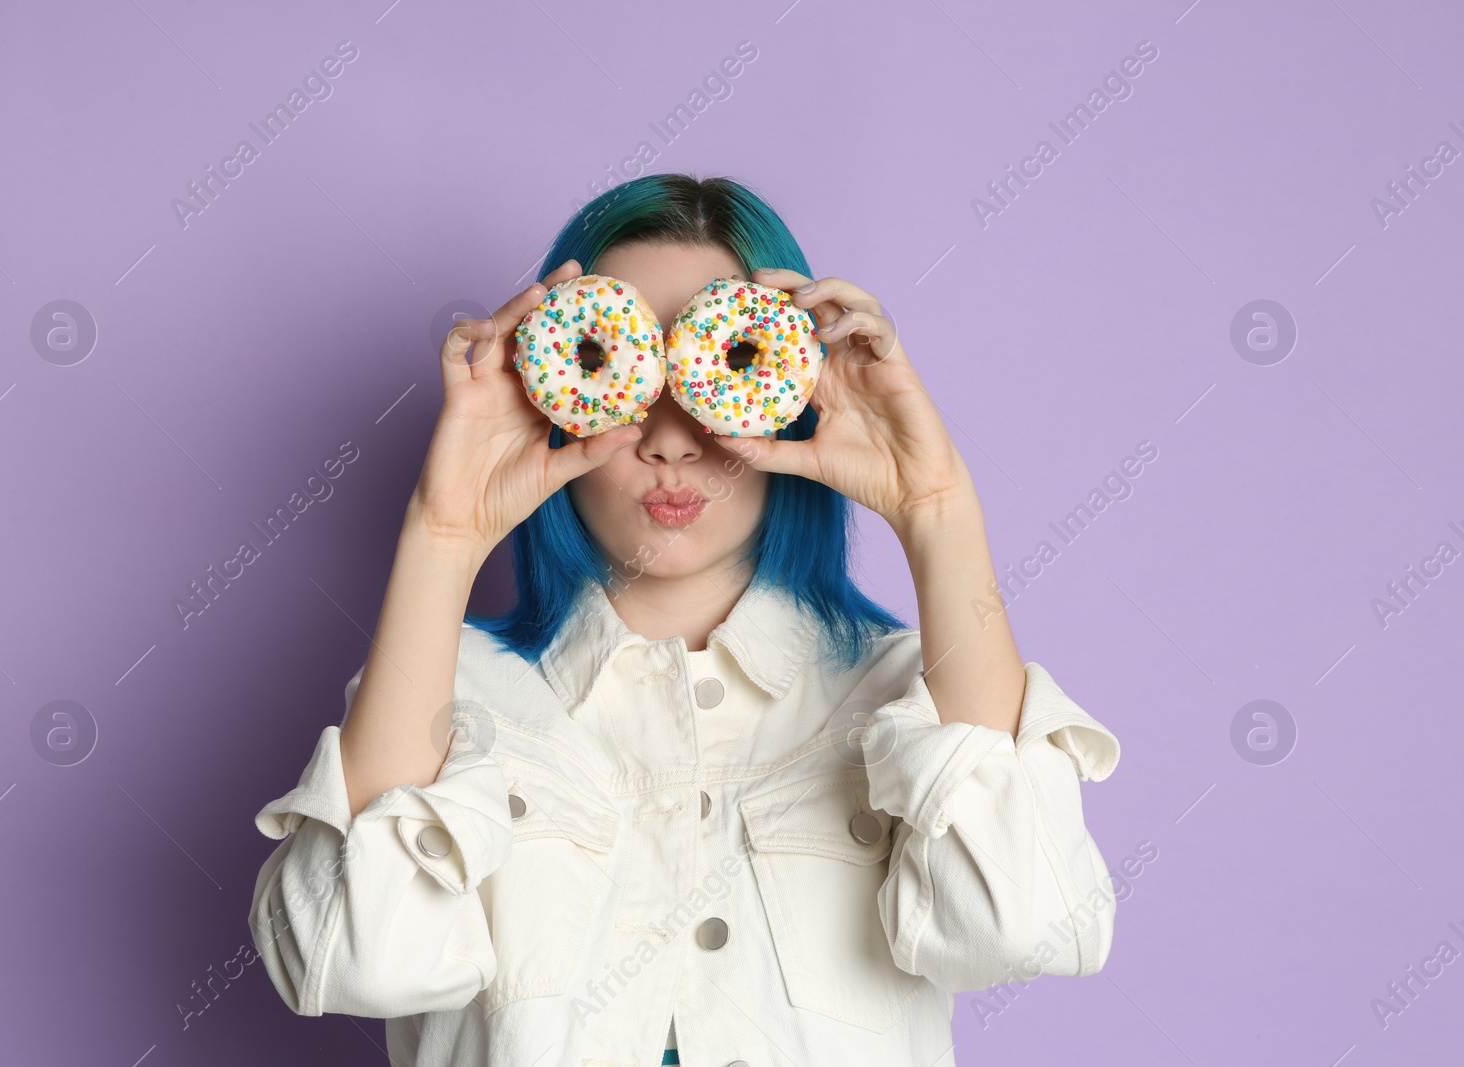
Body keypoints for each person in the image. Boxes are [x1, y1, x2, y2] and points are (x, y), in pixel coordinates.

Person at [248, 173, 1122, 1066]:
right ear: (549, 393)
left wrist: (936, 505)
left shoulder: (911, 698)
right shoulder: (448, 694)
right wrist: (443, 535)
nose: (671, 437)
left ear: (797, 391)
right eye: (621, 374)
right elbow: (352, 962)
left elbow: (1024, 930)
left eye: (724, 370)